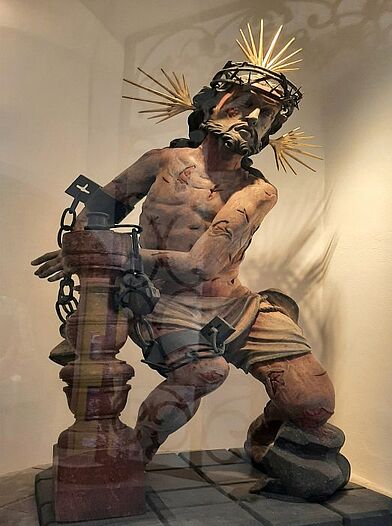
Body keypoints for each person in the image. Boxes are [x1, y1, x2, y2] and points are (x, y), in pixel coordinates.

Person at [32, 23, 335, 464]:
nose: (252, 118)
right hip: (161, 301)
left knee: (314, 402)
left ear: (270, 133)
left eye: (266, 114)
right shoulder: (160, 162)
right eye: (243, 103)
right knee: (205, 372)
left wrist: (104, 253)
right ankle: (135, 456)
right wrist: (82, 247)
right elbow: (94, 216)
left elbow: (200, 266)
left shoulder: (258, 191)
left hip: (234, 306)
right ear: (213, 105)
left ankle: (267, 433)